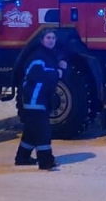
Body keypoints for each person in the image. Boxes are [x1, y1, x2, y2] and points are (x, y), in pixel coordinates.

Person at [15, 29, 67, 171]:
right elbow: (37, 74)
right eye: (48, 37)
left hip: (39, 99)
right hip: (35, 99)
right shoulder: (39, 55)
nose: (51, 40)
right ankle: (46, 161)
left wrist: (59, 66)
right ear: (42, 40)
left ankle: (22, 157)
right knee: (43, 131)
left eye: (53, 38)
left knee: (31, 131)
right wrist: (57, 72)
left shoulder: (46, 55)